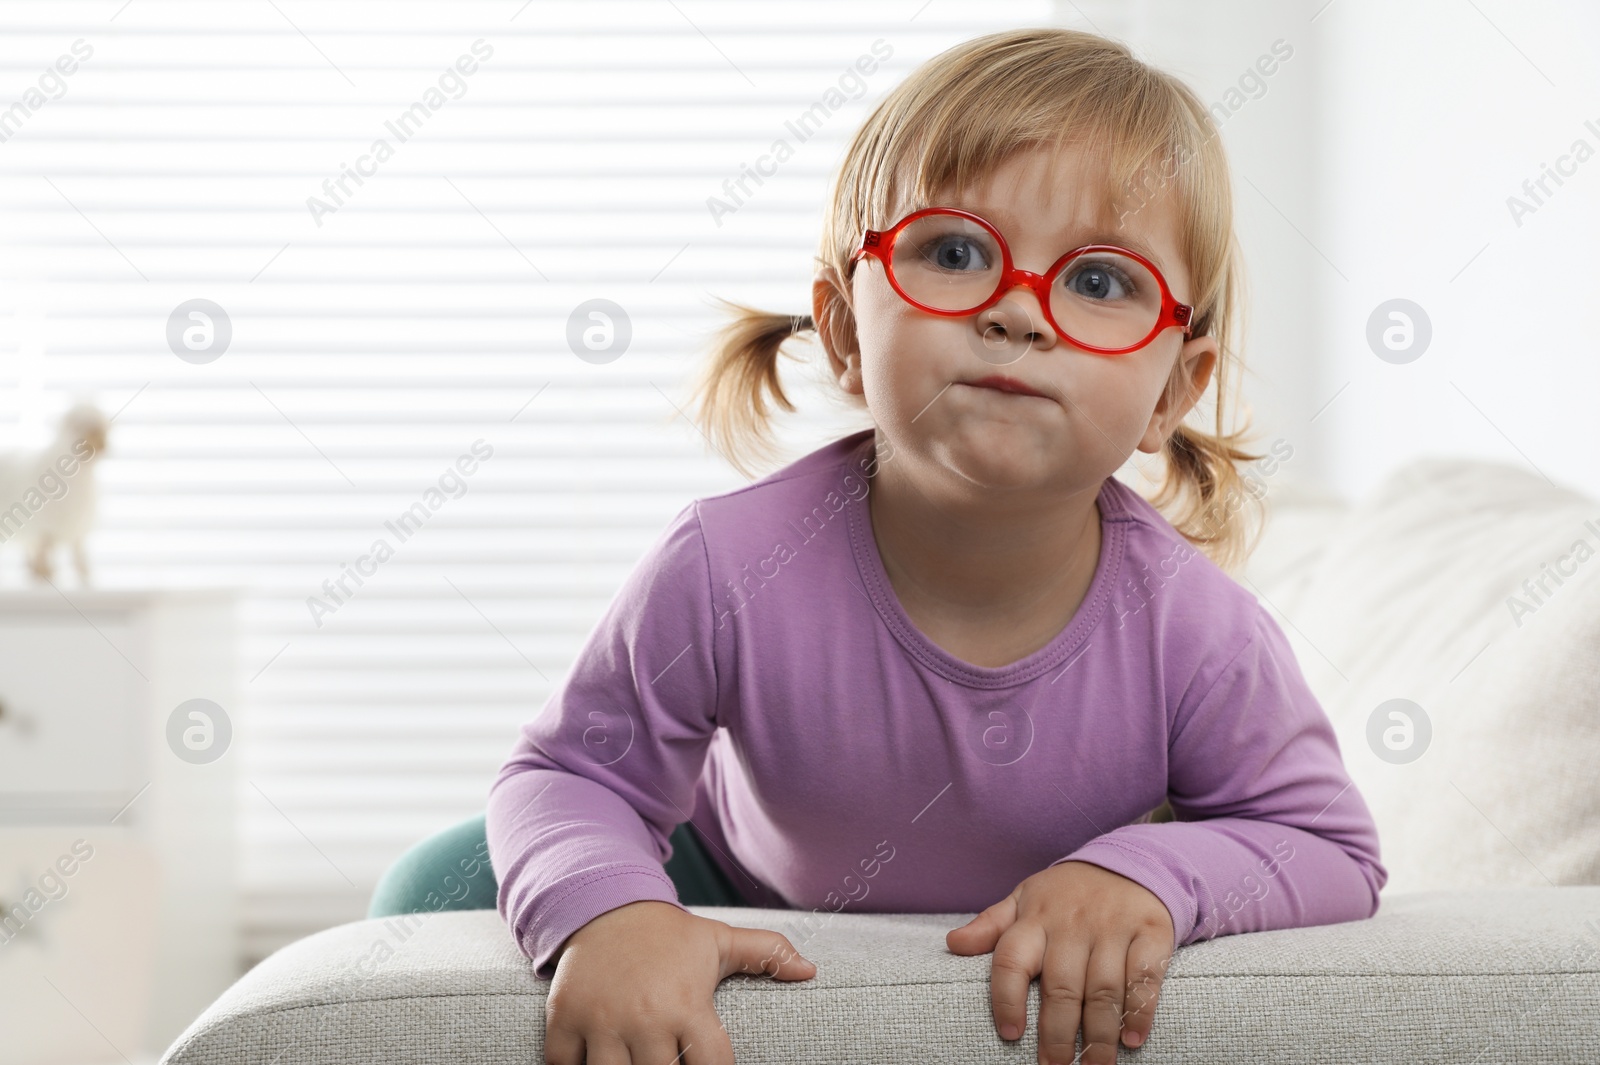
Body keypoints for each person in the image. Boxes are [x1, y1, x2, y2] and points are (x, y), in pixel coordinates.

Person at [372, 26, 1387, 1065]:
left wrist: (1146, 876)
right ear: (848, 331)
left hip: (1055, 902)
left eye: (1097, 282)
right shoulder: (728, 563)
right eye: (953, 252)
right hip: (735, 878)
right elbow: (573, 775)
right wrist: (611, 917)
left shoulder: (1195, 631)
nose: (1016, 311)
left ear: (1173, 387)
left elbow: (1329, 848)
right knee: (431, 885)